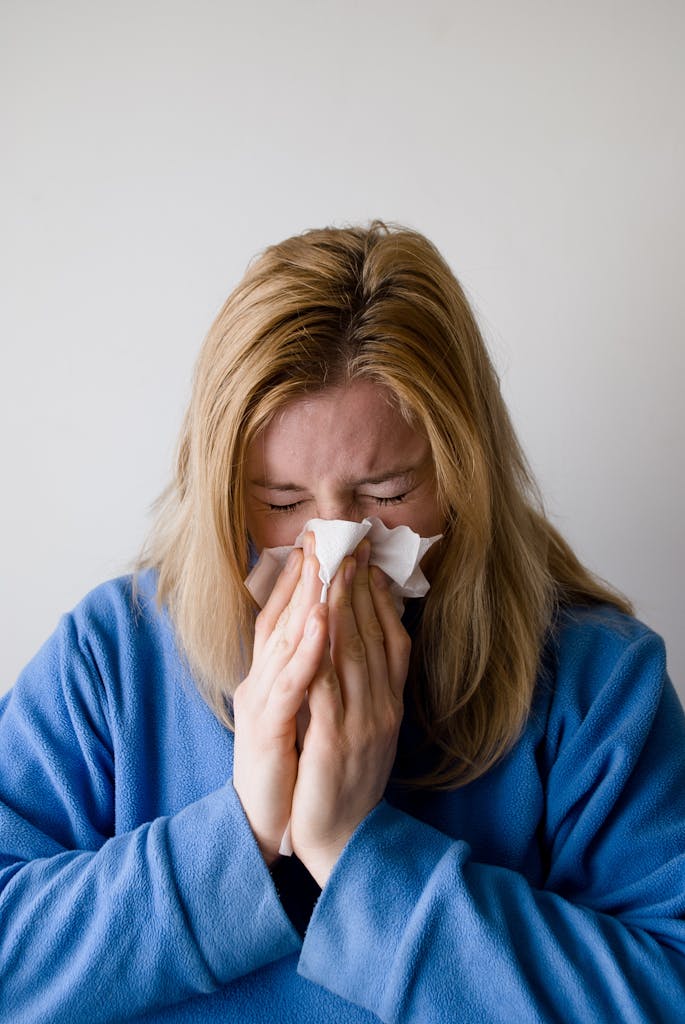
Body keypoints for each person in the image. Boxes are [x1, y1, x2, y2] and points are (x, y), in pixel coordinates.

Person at [1, 222, 684, 1024]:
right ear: (220, 487)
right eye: (281, 503)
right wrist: (245, 831)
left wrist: (353, 849)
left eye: (387, 494)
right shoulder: (110, 656)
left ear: (463, 476)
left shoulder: (594, 682)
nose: (332, 551)